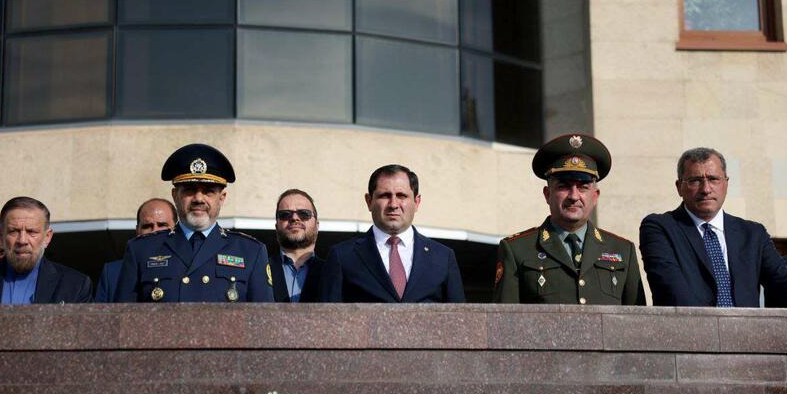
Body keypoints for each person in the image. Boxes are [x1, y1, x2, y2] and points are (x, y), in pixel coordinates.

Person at [493, 134, 644, 305]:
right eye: (563, 186)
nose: (574, 196)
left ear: (595, 196)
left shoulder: (623, 251)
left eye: (583, 187)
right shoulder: (517, 249)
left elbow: (638, 319)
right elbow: (504, 318)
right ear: (547, 194)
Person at [113, 143, 274, 303]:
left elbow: (263, 317)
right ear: (175, 195)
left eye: (208, 191)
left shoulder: (250, 252)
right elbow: (123, 316)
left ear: (222, 198)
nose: (198, 199)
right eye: (189, 190)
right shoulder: (141, 250)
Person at [639, 147, 787, 307]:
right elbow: (670, 291)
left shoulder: (753, 234)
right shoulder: (660, 229)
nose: (706, 189)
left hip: (746, 324)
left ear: (726, 184)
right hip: (688, 323)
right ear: (679, 187)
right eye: (695, 180)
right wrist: (717, 322)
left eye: (713, 179)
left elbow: (785, 287)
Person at [320, 164, 465, 303]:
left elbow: (459, 316)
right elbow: (327, 316)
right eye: (384, 195)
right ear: (369, 201)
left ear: (417, 202)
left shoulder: (443, 257)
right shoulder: (342, 255)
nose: (393, 204)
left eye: (402, 196)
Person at [0, 197, 92, 304]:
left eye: (31, 231)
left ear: (47, 237)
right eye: (13, 231)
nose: (22, 240)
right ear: (1, 235)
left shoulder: (75, 285)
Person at [94, 198, 177, 302]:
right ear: (137, 230)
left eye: (162, 225)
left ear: (176, 230)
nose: (154, 231)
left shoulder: (188, 267)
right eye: (147, 226)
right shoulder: (113, 272)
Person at [270, 189, 324, 302]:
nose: (294, 218)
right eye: (285, 214)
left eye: (304, 214)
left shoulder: (331, 271)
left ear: (317, 225)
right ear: (276, 226)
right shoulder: (259, 269)